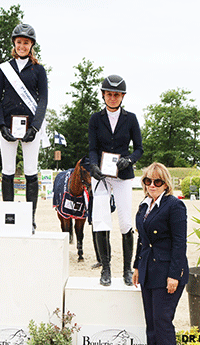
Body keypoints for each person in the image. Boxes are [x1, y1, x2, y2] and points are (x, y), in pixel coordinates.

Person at [88, 74, 143, 286]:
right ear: (103, 95)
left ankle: (127, 270)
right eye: (109, 94)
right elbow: (93, 148)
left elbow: (139, 148)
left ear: (122, 97)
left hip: (122, 175)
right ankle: (106, 269)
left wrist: (128, 160)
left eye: (117, 95)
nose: (112, 98)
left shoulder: (131, 119)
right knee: (101, 220)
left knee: (125, 222)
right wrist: (93, 166)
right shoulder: (95, 119)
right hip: (101, 174)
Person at [0, 23, 48, 230]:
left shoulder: (39, 70)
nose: (22, 46)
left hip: (30, 126)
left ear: (31, 45)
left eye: (26, 42)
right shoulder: (4, 69)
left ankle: (30, 219)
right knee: (7, 170)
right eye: (19, 42)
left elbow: (43, 100)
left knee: (30, 171)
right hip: (7, 125)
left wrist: (35, 127)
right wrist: (1, 125)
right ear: (14, 44)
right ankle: (8, 217)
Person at [132, 162, 188, 345]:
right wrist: (137, 267)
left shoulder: (174, 205)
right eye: (148, 181)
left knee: (162, 322)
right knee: (151, 324)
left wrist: (174, 275)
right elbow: (142, 239)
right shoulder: (144, 206)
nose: (152, 185)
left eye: (157, 182)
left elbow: (180, 243)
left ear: (166, 184)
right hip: (148, 270)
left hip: (167, 272)